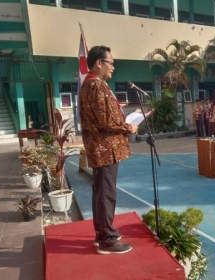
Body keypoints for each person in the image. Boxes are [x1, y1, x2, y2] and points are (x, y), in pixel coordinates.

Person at [79, 45, 138, 255]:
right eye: (111, 63)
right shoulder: (96, 86)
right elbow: (106, 120)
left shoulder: (91, 85)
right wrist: (128, 127)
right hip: (105, 149)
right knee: (105, 193)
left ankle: (102, 233)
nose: (113, 67)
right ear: (99, 63)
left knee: (101, 192)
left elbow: (103, 115)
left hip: (101, 148)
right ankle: (107, 239)